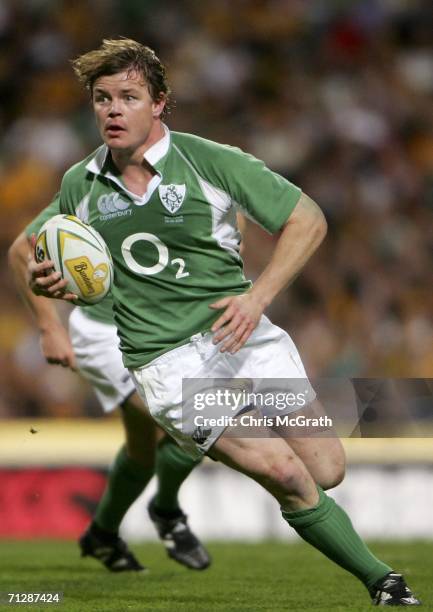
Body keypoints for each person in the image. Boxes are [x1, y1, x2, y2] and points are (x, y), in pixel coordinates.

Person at [28, 38, 419, 605]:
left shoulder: (210, 161)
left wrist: (256, 298)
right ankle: (383, 582)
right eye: (102, 98)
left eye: (128, 97)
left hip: (247, 337)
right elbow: (65, 263)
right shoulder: (77, 185)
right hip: (170, 364)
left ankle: (174, 489)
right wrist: (53, 289)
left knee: (327, 467)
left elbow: (307, 219)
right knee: (284, 472)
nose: (112, 109)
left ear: (160, 103)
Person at [9, 200, 210, 573]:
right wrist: (50, 326)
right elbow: (22, 248)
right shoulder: (92, 184)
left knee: (143, 450)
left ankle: (102, 534)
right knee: (196, 422)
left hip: (161, 331)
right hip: (105, 335)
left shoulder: (189, 177)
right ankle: (166, 509)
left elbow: (235, 220)